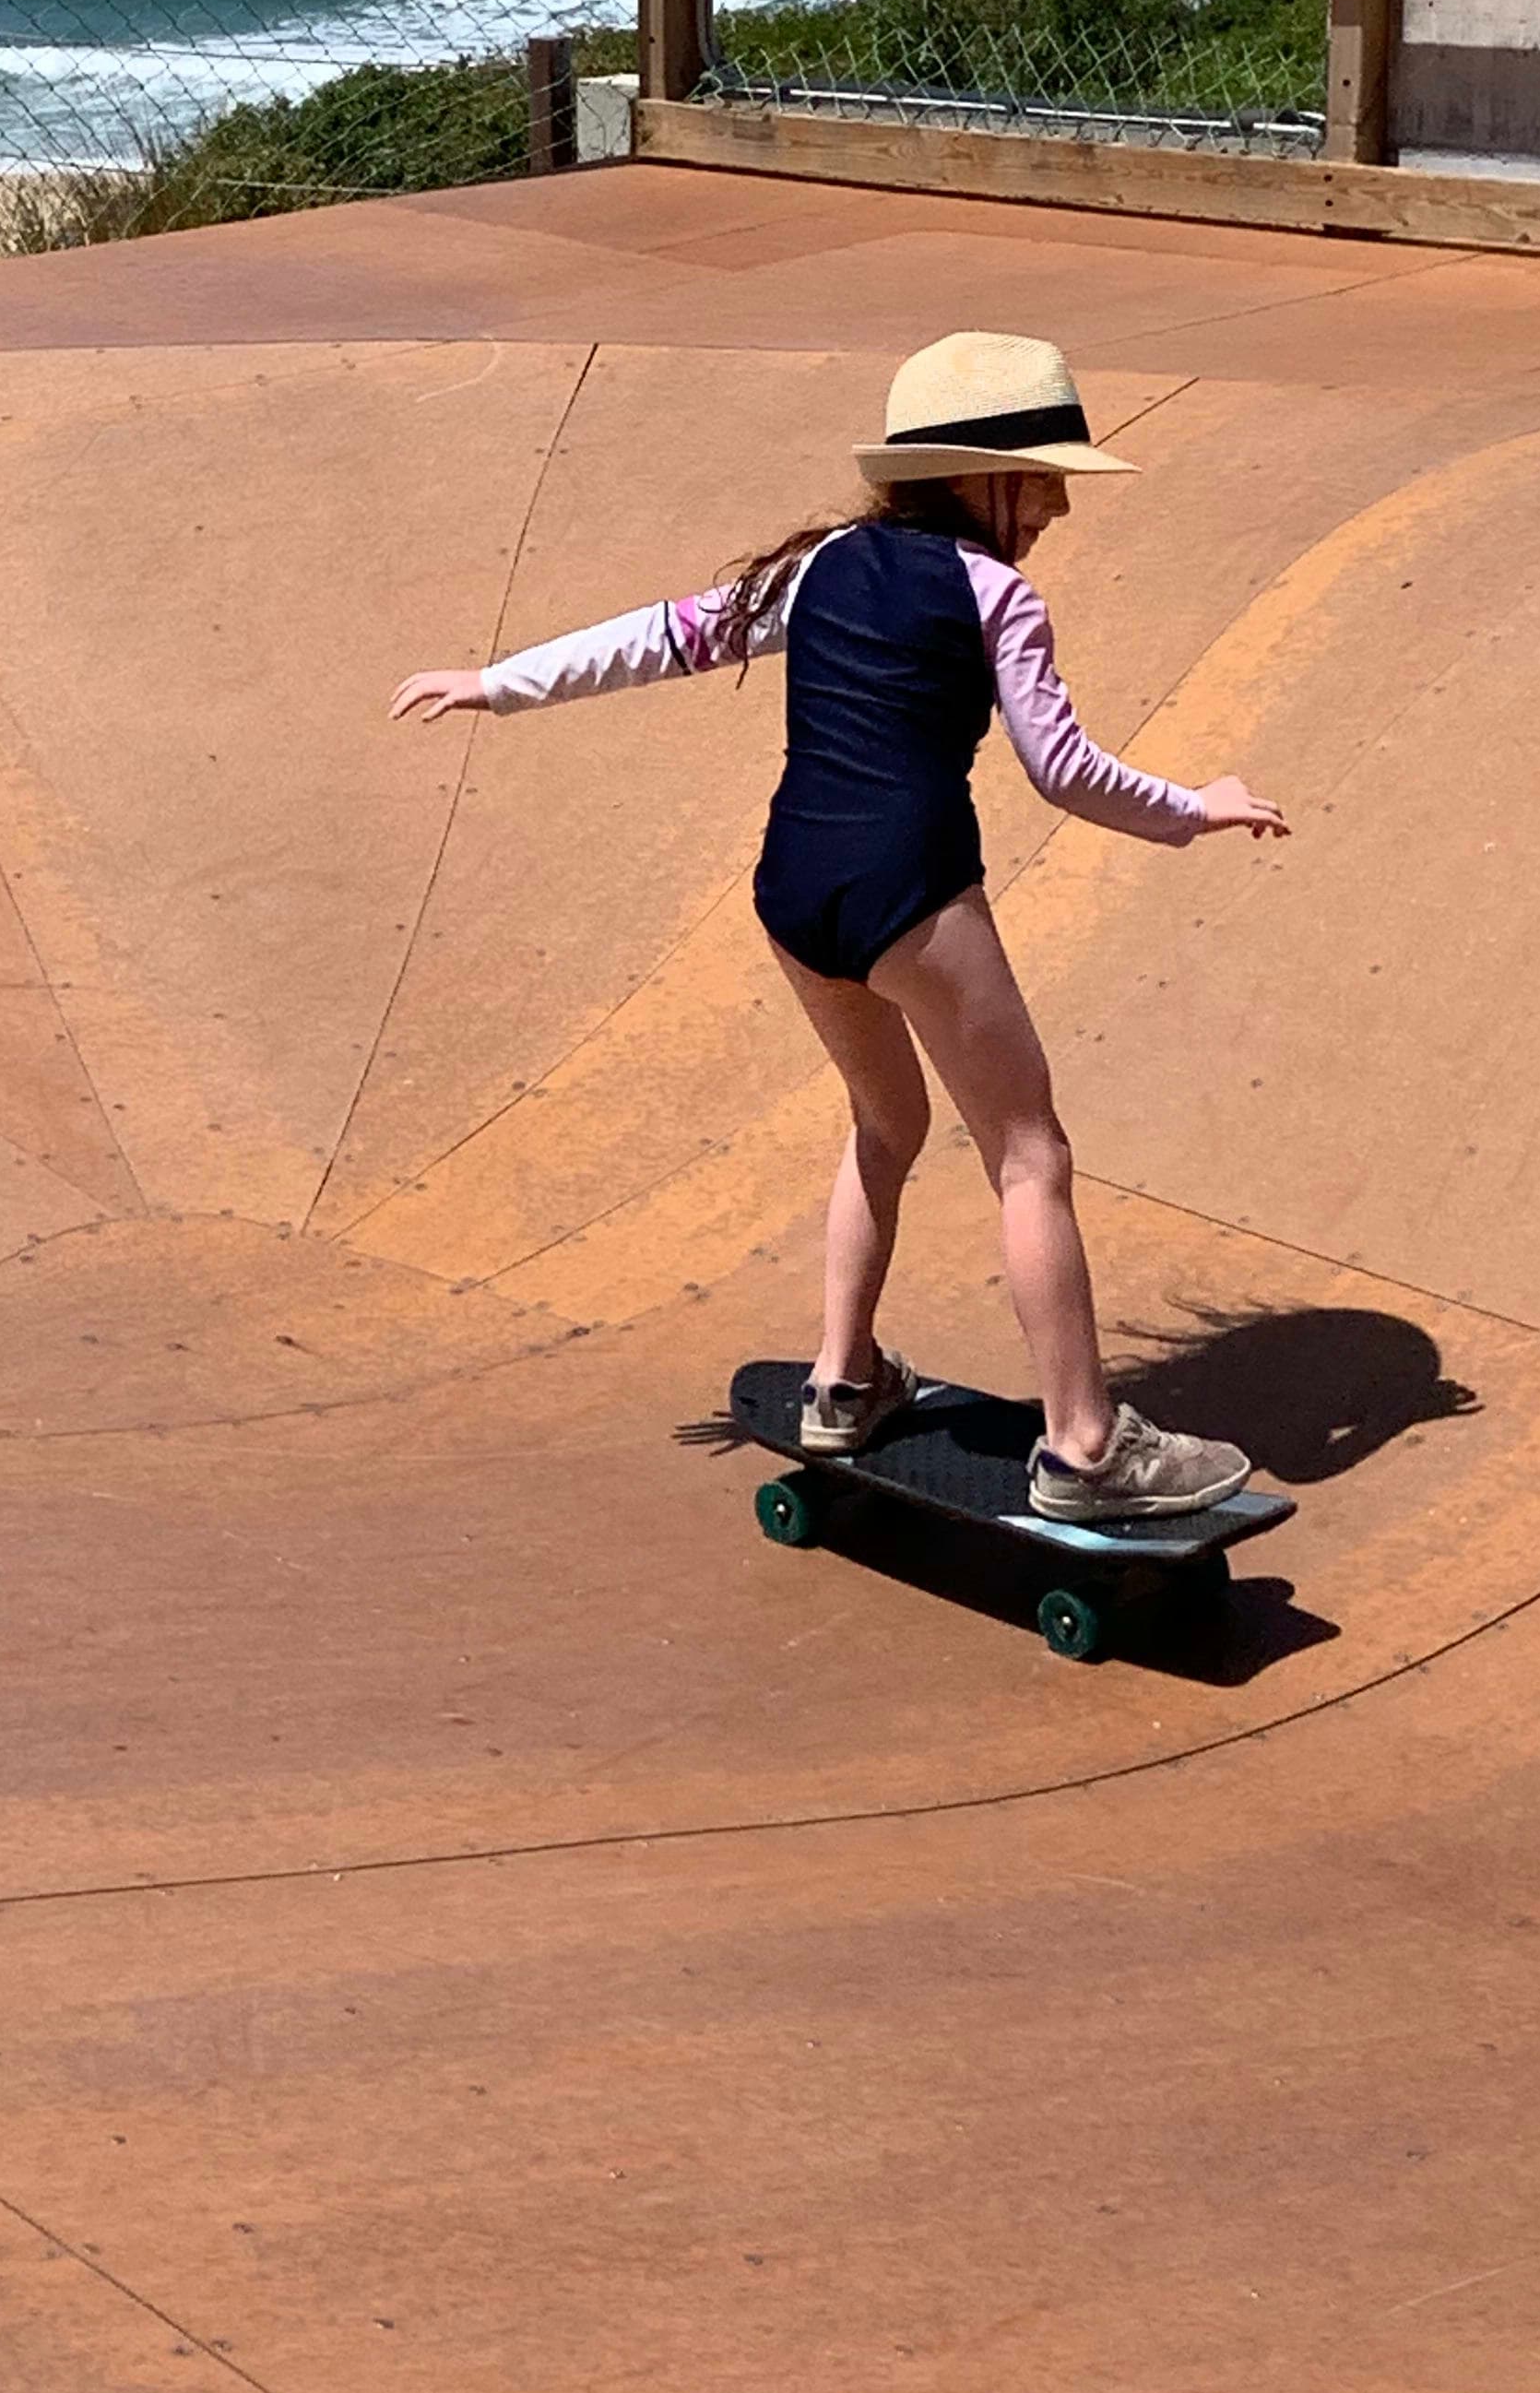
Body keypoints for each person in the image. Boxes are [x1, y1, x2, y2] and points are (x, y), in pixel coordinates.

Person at [389, 332, 1288, 1520]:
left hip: (795, 893)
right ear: (977, 476)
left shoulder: (817, 566)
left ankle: (842, 1383)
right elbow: (1063, 772)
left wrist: (497, 682)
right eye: (1044, 479)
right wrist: (1195, 809)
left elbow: (661, 636)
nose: (1059, 507)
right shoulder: (998, 595)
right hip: (911, 893)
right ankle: (1085, 1449)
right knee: (1031, 1155)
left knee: (887, 1120)